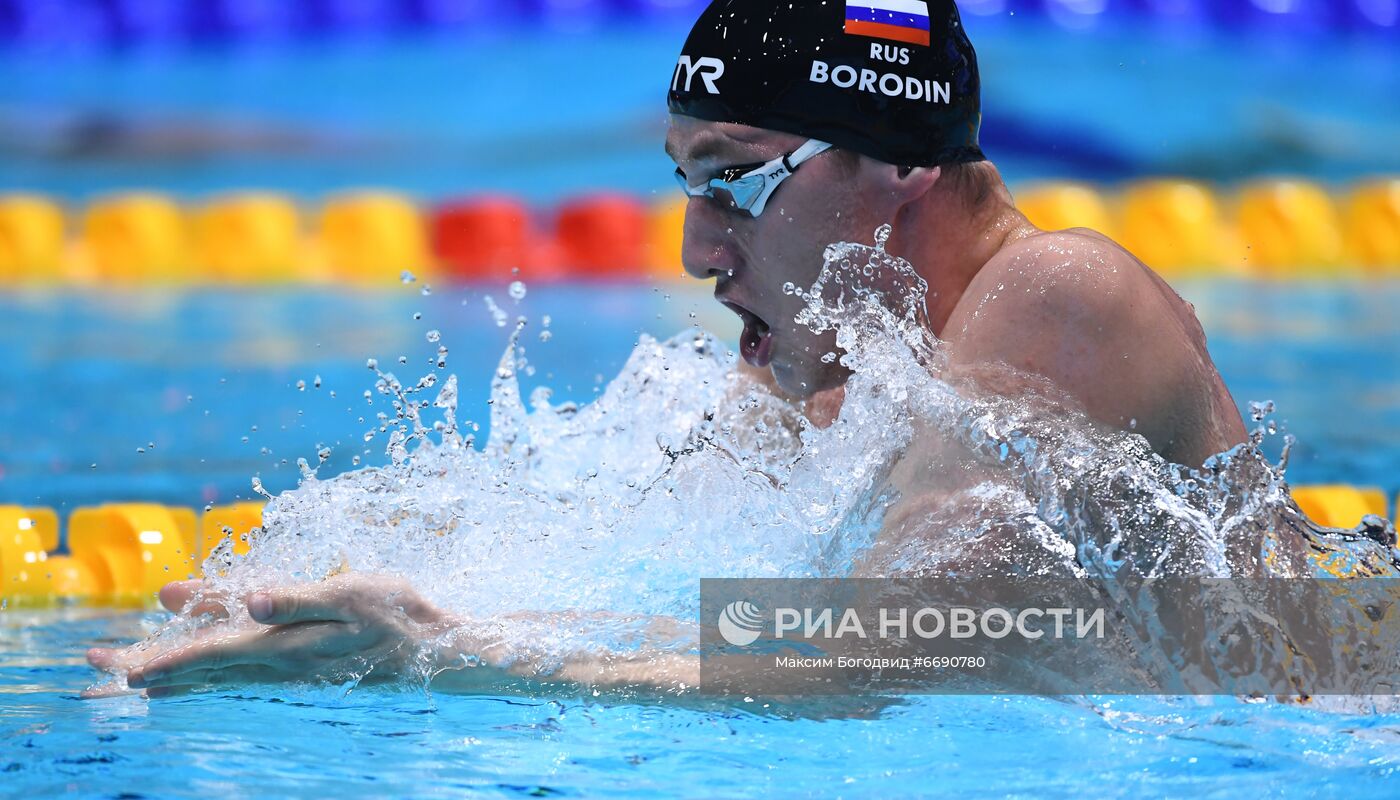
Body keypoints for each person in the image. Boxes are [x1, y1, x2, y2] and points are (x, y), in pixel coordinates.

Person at [85, 0, 1256, 698]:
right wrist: (332, 591)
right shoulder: (822, 363)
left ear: (897, 160)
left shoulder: (1058, 296)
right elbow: (610, 552)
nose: (701, 251)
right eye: (684, 182)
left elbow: (896, 646)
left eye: (736, 180)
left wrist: (454, 649)